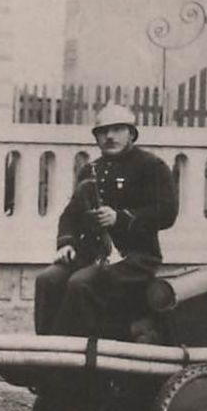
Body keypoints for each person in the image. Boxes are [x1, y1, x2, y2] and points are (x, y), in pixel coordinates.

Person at [34, 104, 178, 338]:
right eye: (103, 131)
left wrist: (120, 218)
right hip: (92, 256)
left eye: (118, 129)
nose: (110, 136)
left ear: (131, 133)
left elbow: (167, 212)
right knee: (47, 279)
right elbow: (71, 214)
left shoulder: (151, 167)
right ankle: (46, 352)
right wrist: (66, 243)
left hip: (135, 259)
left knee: (81, 284)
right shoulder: (91, 171)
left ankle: (73, 360)